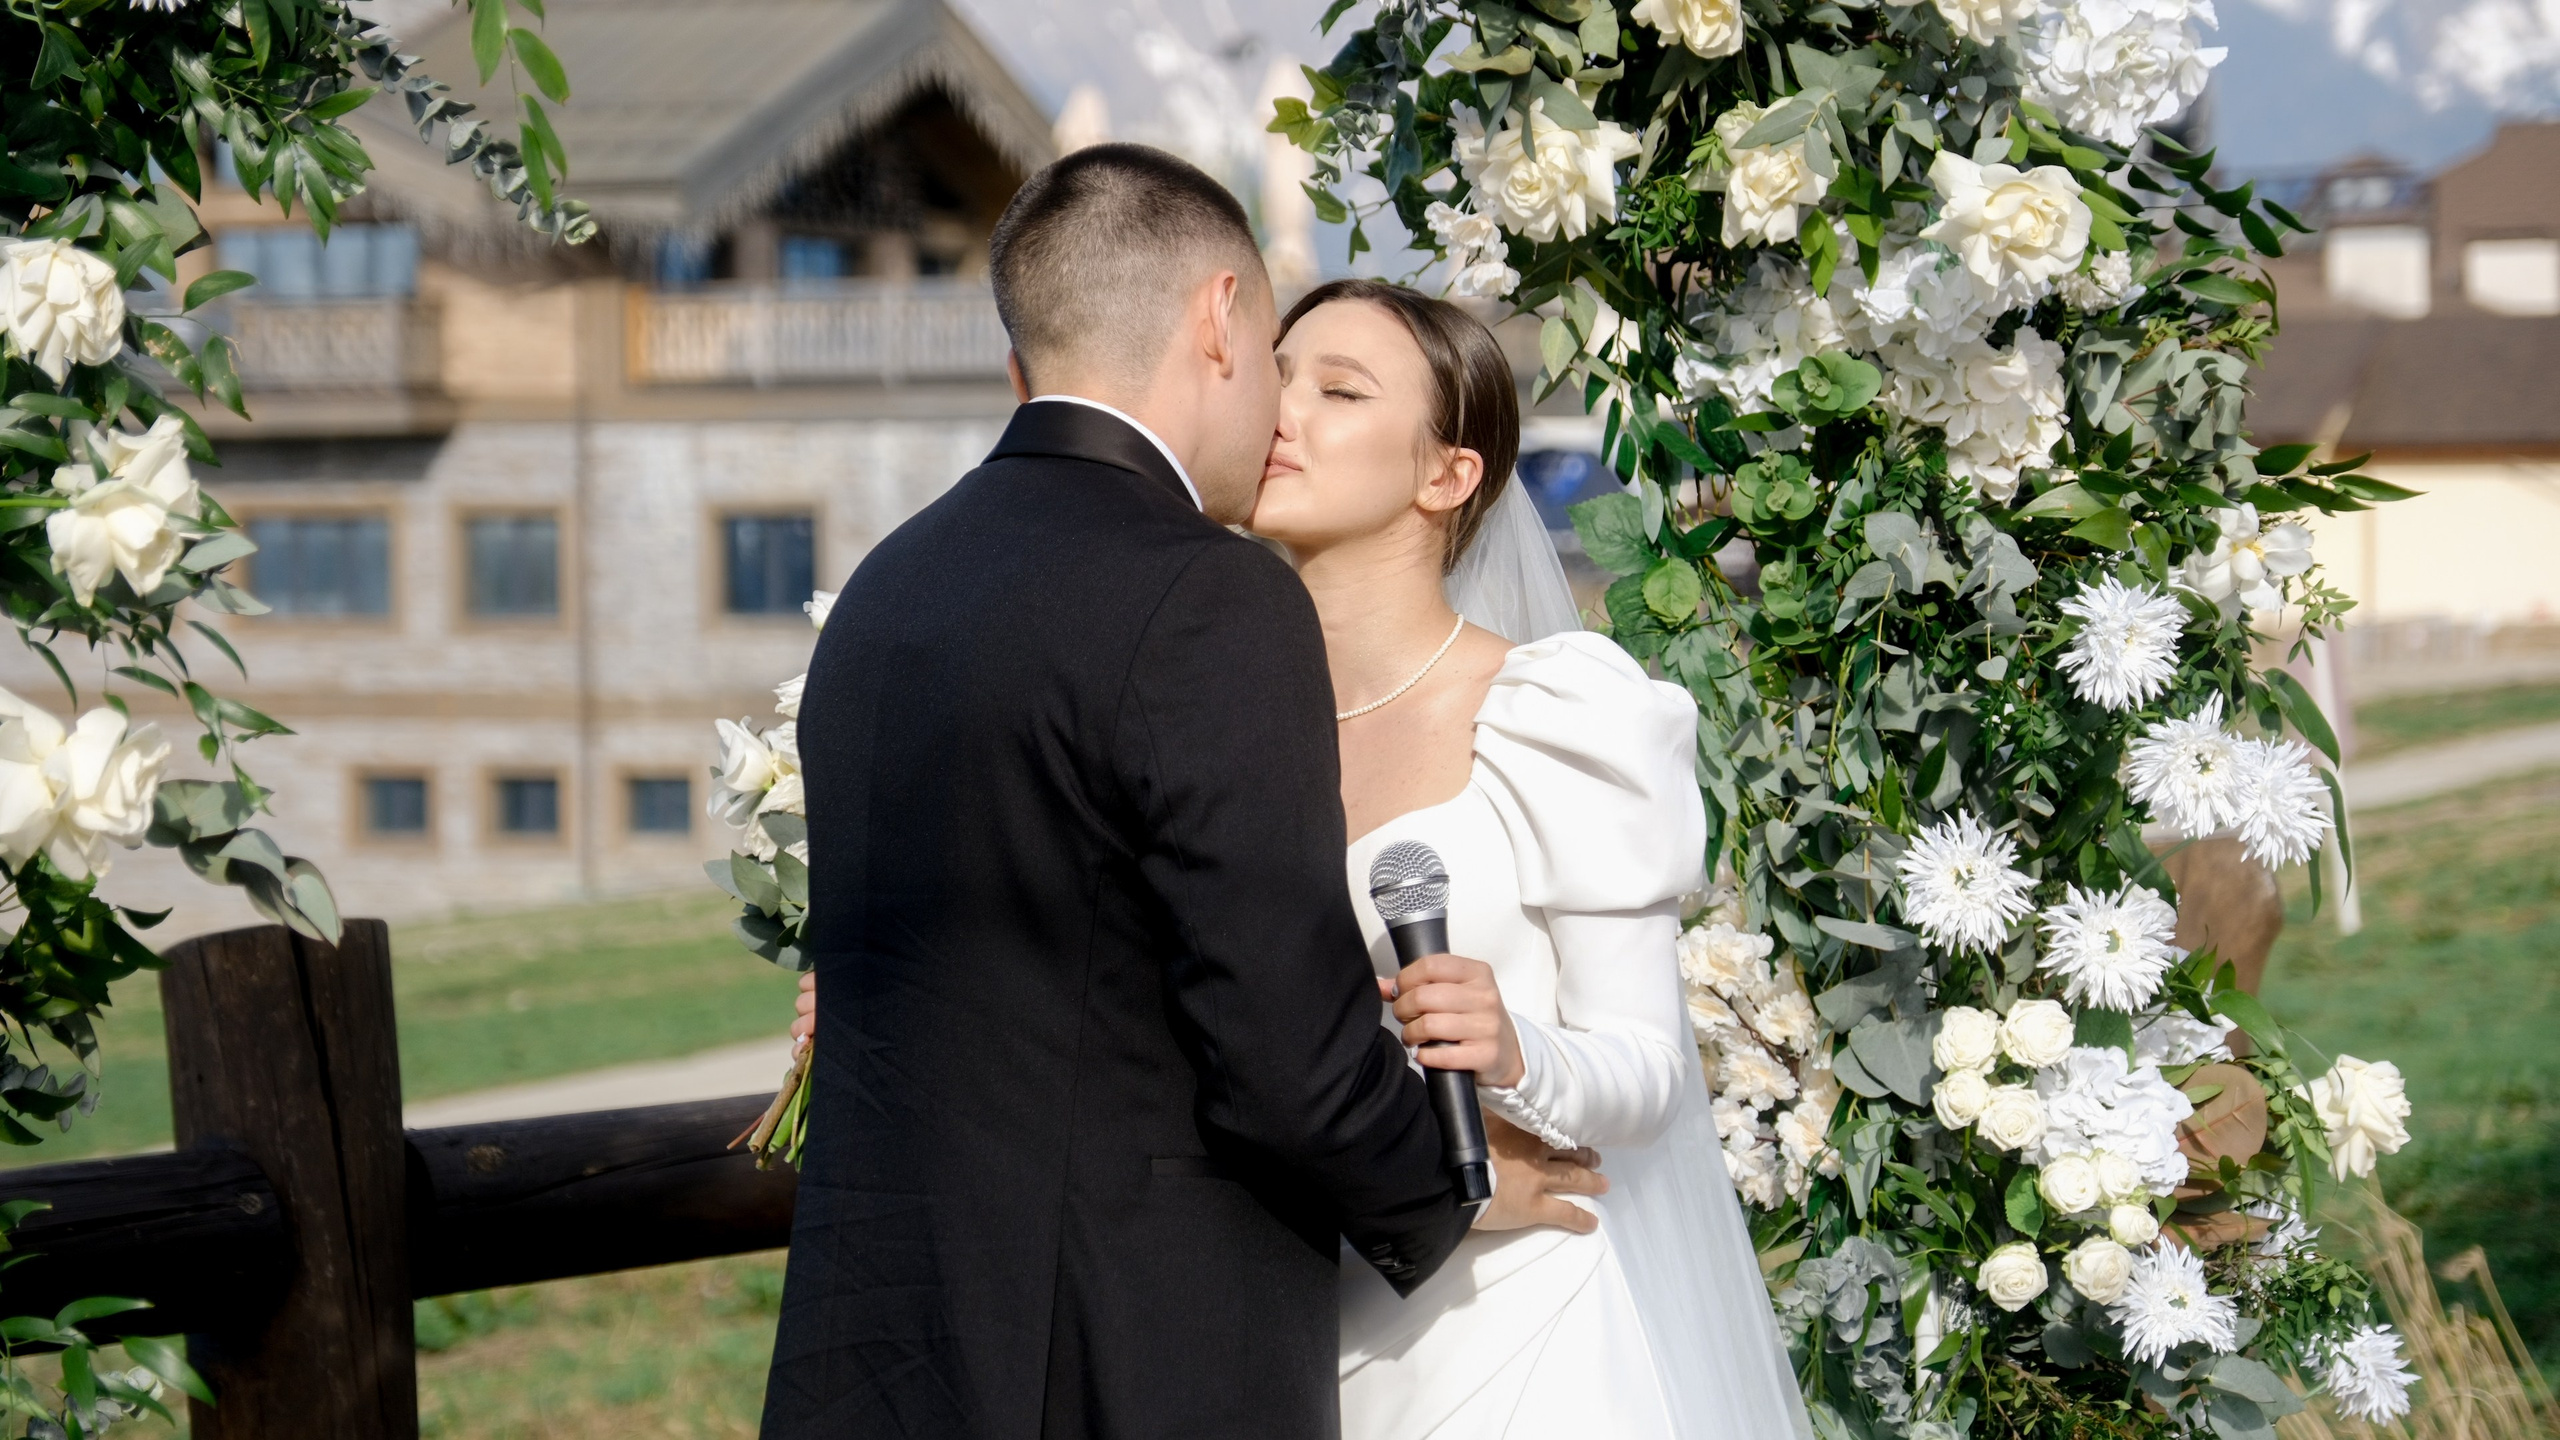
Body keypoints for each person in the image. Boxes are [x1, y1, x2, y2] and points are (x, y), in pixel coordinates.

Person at [763, 145, 1605, 1440]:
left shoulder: (885, 590)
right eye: (1278, 356)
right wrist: (1455, 1175)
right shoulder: (1207, 596)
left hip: (875, 1357)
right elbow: (1288, 1054)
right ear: (1221, 320)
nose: (1278, 409)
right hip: (1119, 1363)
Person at [1247, 279, 1813, 1440]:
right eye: (1273, 373)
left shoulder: (1556, 711)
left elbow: (1650, 1076)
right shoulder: (1221, 722)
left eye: (1337, 389)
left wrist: (1515, 1049)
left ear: (1446, 475)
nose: (1279, 410)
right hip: (1307, 1323)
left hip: (1529, 1331)